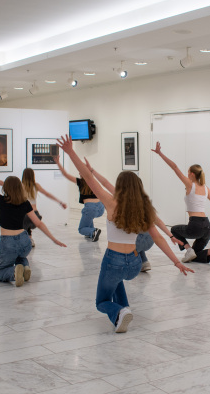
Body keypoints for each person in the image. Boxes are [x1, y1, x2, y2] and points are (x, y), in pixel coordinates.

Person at [58, 136, 193, 333]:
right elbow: (157, 238)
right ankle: (124, 310)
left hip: (114, 260)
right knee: (117, 279)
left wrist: (70, 152)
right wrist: (176, 261)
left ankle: (118, 312)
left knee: (102, 301)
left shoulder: (111, 202)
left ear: (120, 187)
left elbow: (89, 179)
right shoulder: (144, 209)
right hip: (135, 264)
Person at [0, 157, 66, 286]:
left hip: (8, 242)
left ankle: (15, 272)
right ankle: (24, 266)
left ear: (5, 188)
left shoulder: (0, 199)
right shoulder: (25, 203)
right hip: (25, 242)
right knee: (21, 256)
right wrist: (54, 239)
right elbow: (38, 223)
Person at [83, 158, 182, 272]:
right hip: (149, 239)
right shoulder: (143, 202)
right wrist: (171, 236)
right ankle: (144, 261)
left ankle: (134, 262)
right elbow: (157, 222)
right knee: (134, 233)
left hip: (136, 240)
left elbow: (104, 184)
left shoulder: (120, 198)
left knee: (127, 235)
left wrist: (91, 171)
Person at [151, 142, 210, 264]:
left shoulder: (190, 184)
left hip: (196, 225)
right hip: (207, 227)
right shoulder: (206, 188)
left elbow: (175, 167)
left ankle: (188, 250)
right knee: (195, 256)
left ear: (192, 174)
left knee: (174, 230)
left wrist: (160, 153)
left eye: (188, 172)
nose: (187, 174)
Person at [0, 168, 67, 247]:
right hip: (35, 214)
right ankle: (29, 239)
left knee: (22, 226)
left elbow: (2, 183)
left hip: (24, 215)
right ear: (33, 176)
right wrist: (60, 202)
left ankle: (26, 240)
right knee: (28, 225)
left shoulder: (20, 185)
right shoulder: (36, 186)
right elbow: (47, 194)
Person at [56, 156, 104, 241]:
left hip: (90, 208)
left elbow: (65, 174)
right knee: (89, 218)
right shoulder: (94, 181)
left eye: (80, 172)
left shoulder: (80, 182)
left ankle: (93, 231)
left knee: (81, 229)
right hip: (101, 208)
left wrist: (58, 162)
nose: (79, 173)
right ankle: (91, 234)